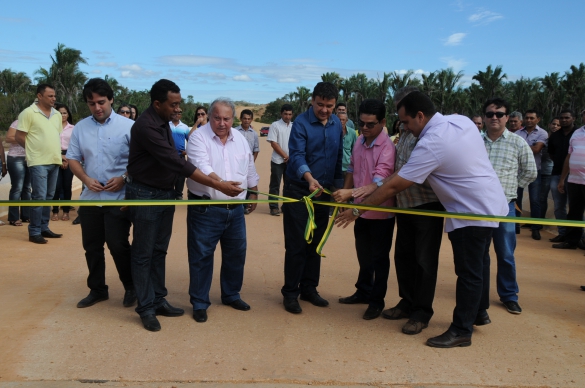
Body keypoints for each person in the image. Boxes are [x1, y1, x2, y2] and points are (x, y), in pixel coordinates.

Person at [336, 91, 508, 348]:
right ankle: (469, 311)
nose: (402, 127)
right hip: (457, 204)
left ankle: (457, 327)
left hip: (469, 210)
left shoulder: (433, 141)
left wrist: (357, 209)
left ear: (420, 115)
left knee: (461, 269)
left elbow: (394, 185)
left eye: (405, 122)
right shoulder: (458, 121)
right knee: (417, 259)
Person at [125, 79, 241, 332]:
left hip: (164, 194)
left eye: (180, 103)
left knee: (159, 250)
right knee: (144, 252)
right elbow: (177, 163)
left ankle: (158, 299)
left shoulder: (163, 122)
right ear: (157, 104)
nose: (178, 109)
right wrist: (218, 185)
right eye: (173, 104)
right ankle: (145, 307)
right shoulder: (146, 126)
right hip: (145, 194)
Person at [352, 86, 445, 336]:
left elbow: (401, 174)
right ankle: (406, 302)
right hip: (403, 204)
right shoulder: (404, 132)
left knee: (424, 261)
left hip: (426, 206)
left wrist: (360, 203)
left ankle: (421, 312)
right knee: (403, 257)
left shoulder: (431, 134)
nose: (400, 114)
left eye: (403, 108)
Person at [186, 98, 260, 323]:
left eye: (226, 119)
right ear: (209, 116)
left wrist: (254, 191)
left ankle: (231, 294)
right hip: (205, 208)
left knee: (236, 254)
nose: (221, 123)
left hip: (235, 210)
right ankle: (199, 302)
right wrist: (221, 185)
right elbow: (202, 167)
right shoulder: (198, 137)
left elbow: (248, 166)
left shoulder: (241, 139)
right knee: (201, 257)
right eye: (216, 118)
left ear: (233, 119)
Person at [66, 78, 136, 309]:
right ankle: (97, 290)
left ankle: (131, 287)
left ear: (111, 100)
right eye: (91, 103)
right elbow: (73, 158)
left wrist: (124, 178)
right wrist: (85, 179)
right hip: (90, 199)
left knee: (118, 245)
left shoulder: (128, 127)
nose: (97, 107)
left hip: (119, 198)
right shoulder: (81, 128)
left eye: (101, 102)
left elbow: (139, 161)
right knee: (92, 247)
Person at [281, 82, 344, 314]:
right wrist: (309, 178)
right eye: (320, 105)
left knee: (316, 242)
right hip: (299, 191)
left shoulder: (337, 123)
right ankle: (290, 292)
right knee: (297, 242)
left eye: (329, 106)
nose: (325, 110)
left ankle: (309, 288)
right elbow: (296, 156)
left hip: (324, 193)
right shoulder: (300, 123)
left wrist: (338, 188)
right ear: (312, 100)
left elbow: (338, 158)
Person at [332, 99, 396, 321]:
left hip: (380, 214)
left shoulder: (387, 148)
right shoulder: (359, 140)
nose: (365, 128)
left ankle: (376, 301)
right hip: (360, 211)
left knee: (379, 258)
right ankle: (363, 290)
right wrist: (345, 196)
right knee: (363, 254)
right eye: (362, 123)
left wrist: (350, 194)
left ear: (383, 122)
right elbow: (351, 168)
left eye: (371, 124)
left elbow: (378, 184)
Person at [482, 98, 537, 315]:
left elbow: (530, 171)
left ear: (507, 117)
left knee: (505, 253)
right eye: (490, 114)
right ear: (484, 117)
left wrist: (513, 190)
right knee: (480, 254)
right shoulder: (474, 142)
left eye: (499, 114)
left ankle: (509, 295)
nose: (494, 117)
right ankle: (479, 293)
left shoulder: (518, 142)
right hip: (479, 209)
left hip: (505, 207)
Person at [15, 84, 63, 244]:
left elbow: (55, 136)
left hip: (54, 160)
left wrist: (61, 156)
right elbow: (19, 136)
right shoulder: (28, 113)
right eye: (50, 96)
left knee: (49, 196)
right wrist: (33, 152)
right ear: (40, 96)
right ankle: (34, 231)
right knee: (39, 196)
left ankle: (44, 227)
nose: (54, 98)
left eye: (54, 96)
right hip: (38, 162)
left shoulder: (56, 114)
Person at [515, 109, 548, 240]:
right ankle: (515, 226)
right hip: (517, 171)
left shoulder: (542, 133)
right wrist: (530, 146)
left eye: (532, 118)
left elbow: (537, 149)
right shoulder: (517, 133)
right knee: (516, 199)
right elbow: (527, 148)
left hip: (535, 171)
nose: (529, 120)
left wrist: (522, 147)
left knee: (535, 200)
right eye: (527, 118)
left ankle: (535, 229)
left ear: (538, 119)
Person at [555, 110, 585, 250]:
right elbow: (569, 156)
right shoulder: (577, 132)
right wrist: (562, 179)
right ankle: (572, 241)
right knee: (574, 212)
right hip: (574, 180)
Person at [548, 110, 577, 243]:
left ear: (573, 119)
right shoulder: (555, 136)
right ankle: (563, 233)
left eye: (567, 117)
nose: (564, 120)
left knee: (576, 207)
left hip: (575, 176)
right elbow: (551, 153)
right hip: (556, 174)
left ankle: (578, 236)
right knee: (559, 205)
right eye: (562, 118)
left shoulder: (578, 134)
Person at [267, 104, 293, 216]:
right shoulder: (275, 125)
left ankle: (286, 206)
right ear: (281, 114)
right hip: (278, 160)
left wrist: (291, 157)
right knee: (275, 184)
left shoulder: (294, 126)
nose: (287, 116)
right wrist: (285, 156)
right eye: (285, 114)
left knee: (289, 185)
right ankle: (273, 207)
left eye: (290, 114)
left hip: (291, 161)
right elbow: (273, 143)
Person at [51, 103, 75, 221]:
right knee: (56, 186)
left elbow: (75, 146)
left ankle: (66, 211)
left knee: (67, 186)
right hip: (54, 156)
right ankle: (55, 211)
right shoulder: (51, 127)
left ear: (68, 114)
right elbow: (49, 144)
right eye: (60, 113)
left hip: (69, 157)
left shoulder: (73, 128)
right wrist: (59, 157)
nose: (62, 115)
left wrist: (67, 159)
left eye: (64, 112)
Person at [6, 120, 31, 226]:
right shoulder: (18, 123)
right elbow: (8, 138)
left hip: (30, 158)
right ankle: (13, 217)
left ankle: (26, 215)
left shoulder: (37, 123)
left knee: (27, 188)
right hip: (16, 157)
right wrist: (26, 139)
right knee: (17, 188)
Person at [169, 108, 191, 199]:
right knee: (168, 175)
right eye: (175, 112)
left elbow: (190, 141)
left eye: (179, 112)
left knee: (180, 177)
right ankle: (169, 194)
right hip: (168, 156)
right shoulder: (166, 125)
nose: (177, 114)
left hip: (180, 156)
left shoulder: (185, 127)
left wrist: (187, 151)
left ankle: (179, 194)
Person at [338, 112, 357, 176]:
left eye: (343, 120)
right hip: (336, 168)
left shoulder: (352, 133)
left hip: (348, 168)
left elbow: (355, 150)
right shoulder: (332, 132)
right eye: (339, 119)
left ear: (347, 120)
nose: (341, 121)